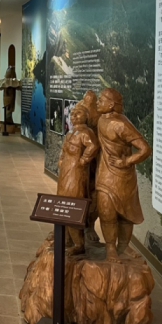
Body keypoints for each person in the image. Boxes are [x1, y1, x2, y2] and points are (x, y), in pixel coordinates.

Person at [95, 88, 151, 262]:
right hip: (105, 174)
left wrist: (126, 161)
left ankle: (123, 247)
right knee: (106, 211)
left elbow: (145, 149)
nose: (98, 102)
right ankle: (111, 248)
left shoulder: (122, 124)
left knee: (126, 214)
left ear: (111, 104)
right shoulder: (101, 119)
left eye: (101, 99)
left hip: (123, 177)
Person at [57, 104, 99, 255]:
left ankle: (79, 244)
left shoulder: (86, 132)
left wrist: (83, 160)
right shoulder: (71, 132)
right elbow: (64, 149)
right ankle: (67, 238)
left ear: (86, 117)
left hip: (77, 174)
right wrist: (62, 159)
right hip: (66, 172)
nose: (74, 116)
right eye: (73, 113)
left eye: (78, 113)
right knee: (62, 200)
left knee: (74, 202)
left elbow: (93, 146)